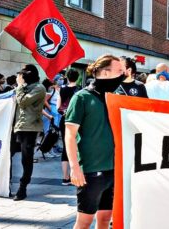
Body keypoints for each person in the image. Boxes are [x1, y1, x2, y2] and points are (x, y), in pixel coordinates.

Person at [65, 54, 125, 229]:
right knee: (84, 221)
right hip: (91, 170)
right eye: (119, 71)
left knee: (105, 218)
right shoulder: (82, 97)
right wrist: (75, 168)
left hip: (113, 169)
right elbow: (69, 135)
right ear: (105, 73)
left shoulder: (115, 97)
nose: (123, 74)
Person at [11, 64, 46, 201]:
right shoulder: (24, 87)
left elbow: (23, 102)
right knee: (9, 153)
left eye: (23, 75)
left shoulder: (39, 88)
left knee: (26, 158)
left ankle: (22, 187)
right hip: (18, 126)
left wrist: (19, 86)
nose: (21, 77)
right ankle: (5, 182)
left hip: (30, 128)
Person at [58, 68, 80, 185]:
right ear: (78, 77)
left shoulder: (62, 89)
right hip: (77, 121)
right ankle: (74, 175)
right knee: (76, 147)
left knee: (66, 147)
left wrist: (65, 113)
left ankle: (65, 178)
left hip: (64, 120)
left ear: (67, 76)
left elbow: (58, 107)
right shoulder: (80, 90)